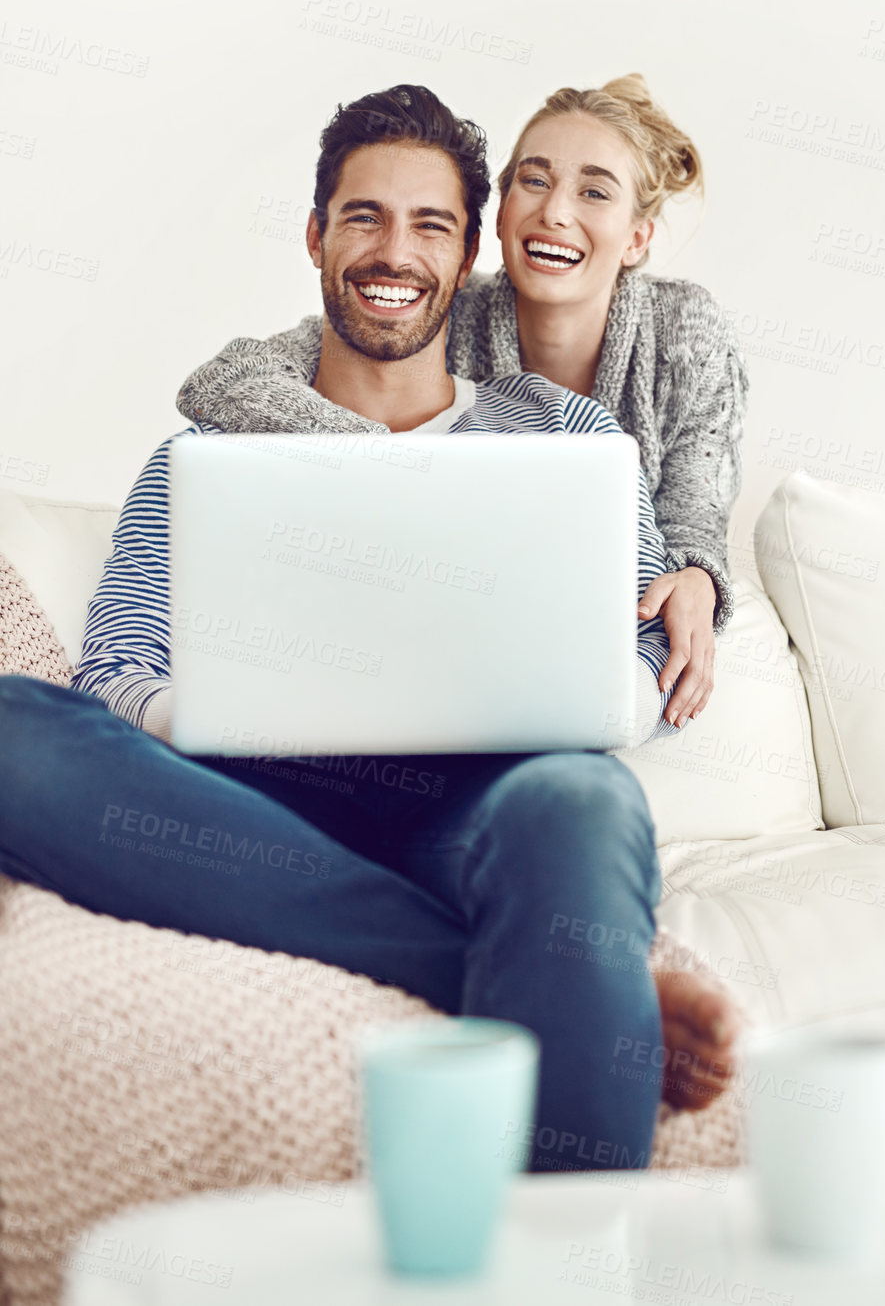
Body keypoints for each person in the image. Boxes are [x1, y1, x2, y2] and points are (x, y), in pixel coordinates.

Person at [0, 85, 739, 1175]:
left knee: (580, 798)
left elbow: (635, 655)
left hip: (478, 804)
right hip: (253, 799)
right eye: (364, 217)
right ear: (315, 235)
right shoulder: (202, 455)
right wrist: (216, 713)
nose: (394, 250)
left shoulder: (566, 436)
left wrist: (613, 663)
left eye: (430, 224)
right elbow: (116, 667)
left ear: (469, 252)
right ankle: (529, 977)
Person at [182, 75, 749, 732]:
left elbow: (695, 501)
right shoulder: (436, 308)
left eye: (594, 191)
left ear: (636, 239)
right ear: (499, 213)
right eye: (532, 181)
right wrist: (375, 455)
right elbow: (230, 377)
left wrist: (698, 576)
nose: (555, 212)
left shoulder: (684, 329)